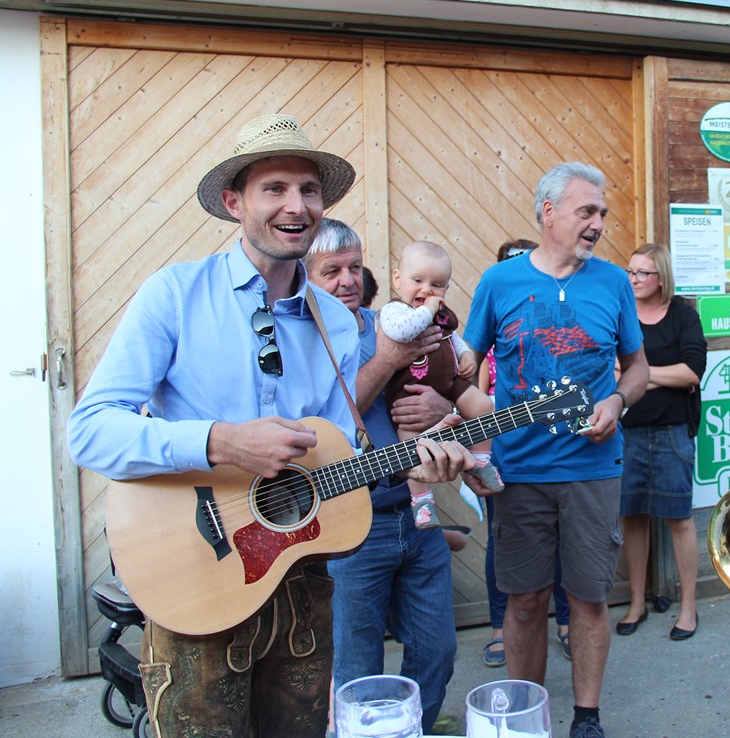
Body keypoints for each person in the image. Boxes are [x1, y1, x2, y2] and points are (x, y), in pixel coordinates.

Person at [67, 114, 474, 738]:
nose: (296, 205)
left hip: (302, 588)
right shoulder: (174, 294)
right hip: (197, 582)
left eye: (309, 190)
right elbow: (91, 431)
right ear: (235, 203)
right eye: (274, 189)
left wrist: (410, 461)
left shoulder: (336, 324)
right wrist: (221, 441)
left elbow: (333, 460)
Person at [465, 162, 650, 738]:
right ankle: (527, 718)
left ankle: (586, 718)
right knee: (524, 601)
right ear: (548, 212)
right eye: (586, 211)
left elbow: (637, 368)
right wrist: (471, 434)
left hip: (594, 469)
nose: (598, 223)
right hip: (519, 470)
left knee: (589, 600)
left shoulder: (614, 282)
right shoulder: (499, 282)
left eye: (602, 213)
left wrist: (617, 401)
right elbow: (465, 369)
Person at [304, 218, 487, 735]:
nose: (347, 280)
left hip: (415, 514)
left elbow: (452, 380)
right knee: (357, 668)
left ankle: (412, 728)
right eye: (331, 271)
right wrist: (387, 361)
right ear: (304, 276)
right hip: (350, 531)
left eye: (354, 268)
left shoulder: (390, 323)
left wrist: (445, 404)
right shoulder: (302, 339)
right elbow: (332, 421)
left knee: (437, 651)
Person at [478, 238, 573, 668]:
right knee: (501, 545)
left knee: (564, 543)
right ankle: (499, 629)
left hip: (558, 445)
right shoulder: (492, 322)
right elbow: (473, 392)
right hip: (505, 451)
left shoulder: (555, 320)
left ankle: (566, 622)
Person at [615, 243, 707, 640]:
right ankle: (637, 602)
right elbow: (610, 369)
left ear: (661, 277)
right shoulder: (621, 314)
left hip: (673, 431)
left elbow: (692, 373)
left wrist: (639, 374)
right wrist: (660, 376)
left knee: (679, 519)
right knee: (633, 517)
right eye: (630, 271)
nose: (633, 279)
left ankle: (688, 607)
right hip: (627, 430)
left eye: (642, 273)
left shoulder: (683, 315)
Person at [378, 240, 504, 529]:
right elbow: (402, 331)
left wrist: (466, 355)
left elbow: (453, 338)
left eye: (436, 285)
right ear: (397, 279)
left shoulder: (442, 315)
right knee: (411, 445)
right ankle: (422, 501)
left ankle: (481, 459)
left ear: (447, 288)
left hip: (451, 383)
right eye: (417, 281)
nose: (426, 290)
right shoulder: (394, 311)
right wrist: (428, 310)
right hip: (409, 394)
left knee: (483, 405)